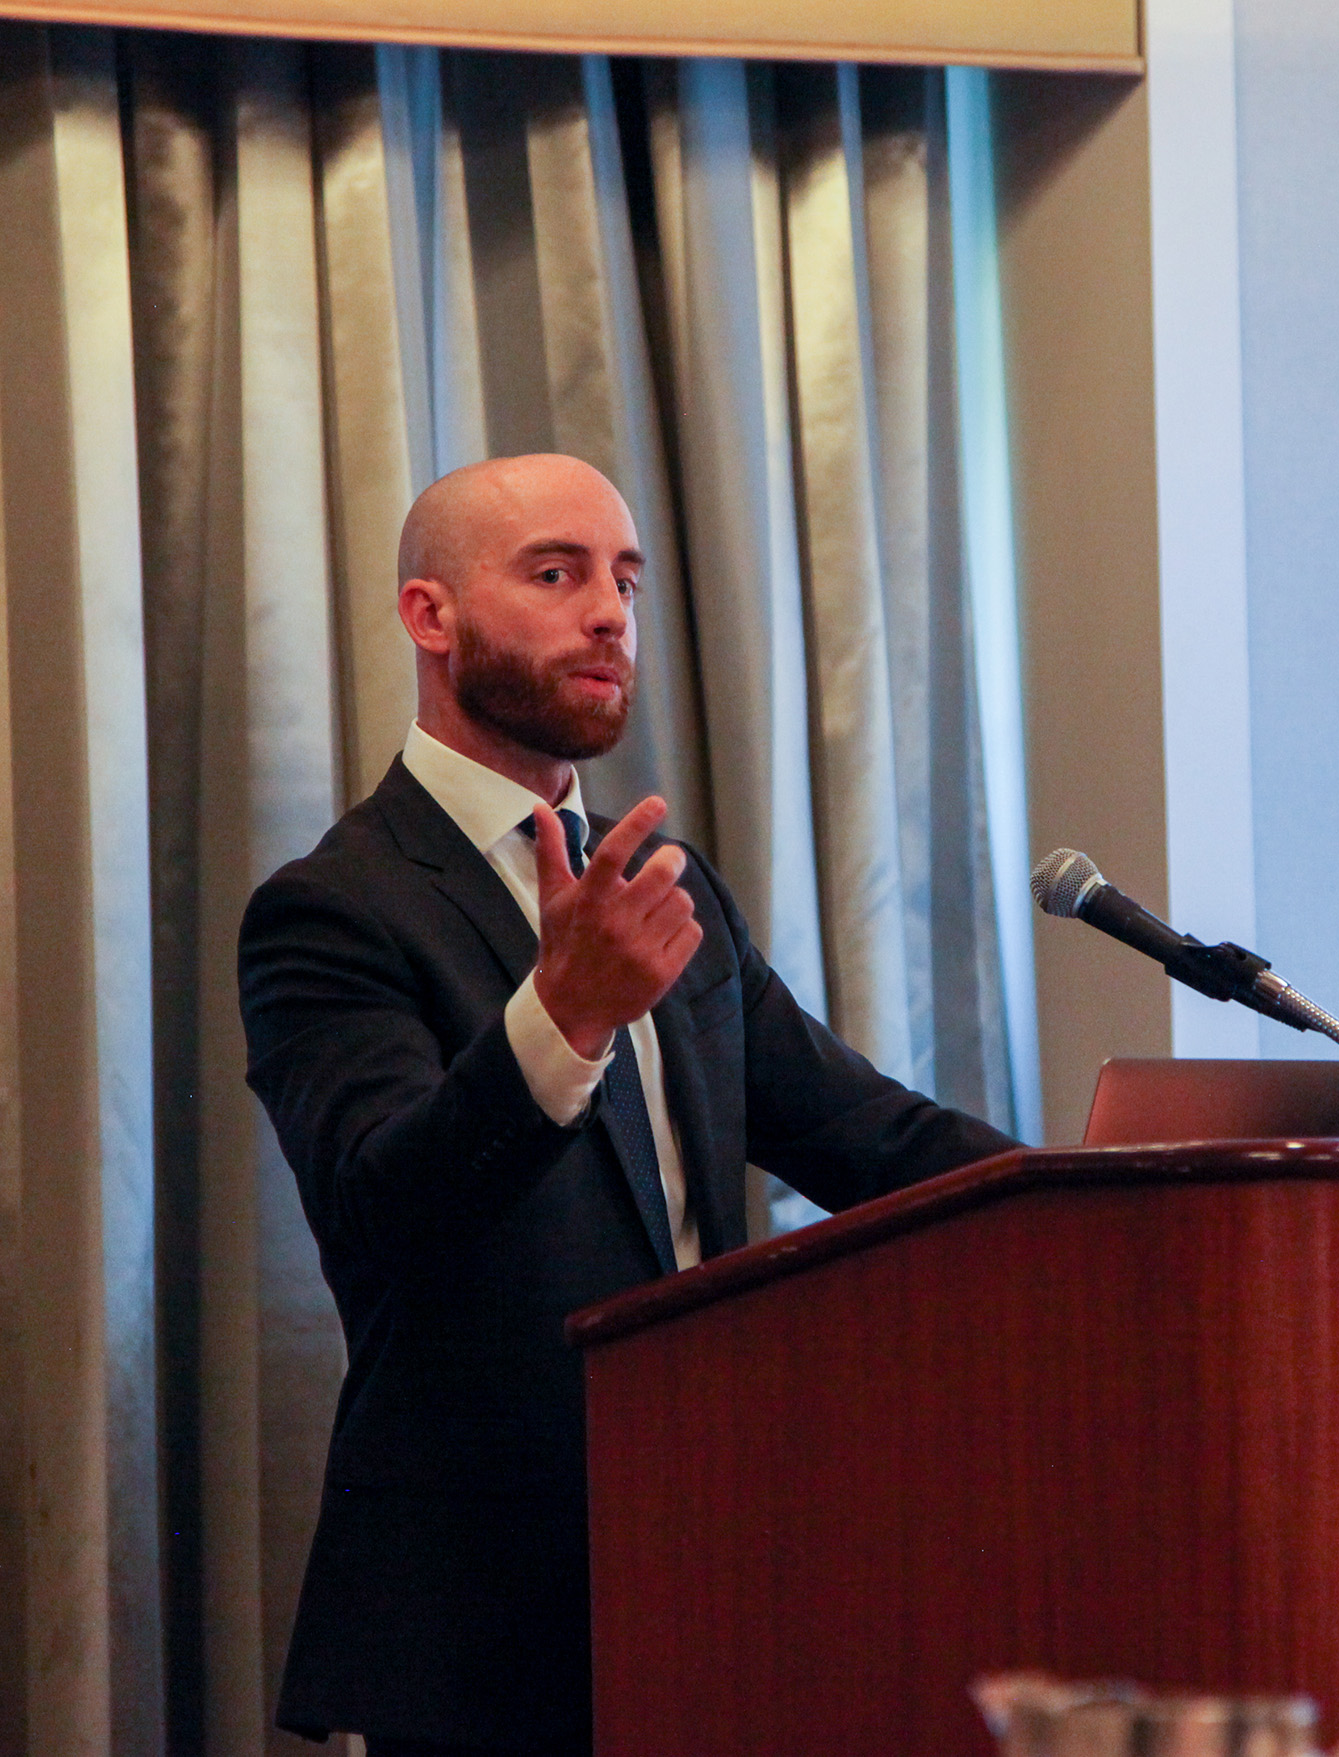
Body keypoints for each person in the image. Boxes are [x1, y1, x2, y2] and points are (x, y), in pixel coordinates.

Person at [239, 453, 1017, 1756]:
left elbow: (865, 1132)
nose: (610, 611)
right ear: (430, 616)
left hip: (724, 1575)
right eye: (557, 573)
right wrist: (564, 1016)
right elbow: (383, 1204)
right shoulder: (333, 907)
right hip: (488, 1623)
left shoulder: (664, 884)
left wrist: (1094, 1196)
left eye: (626, 578)